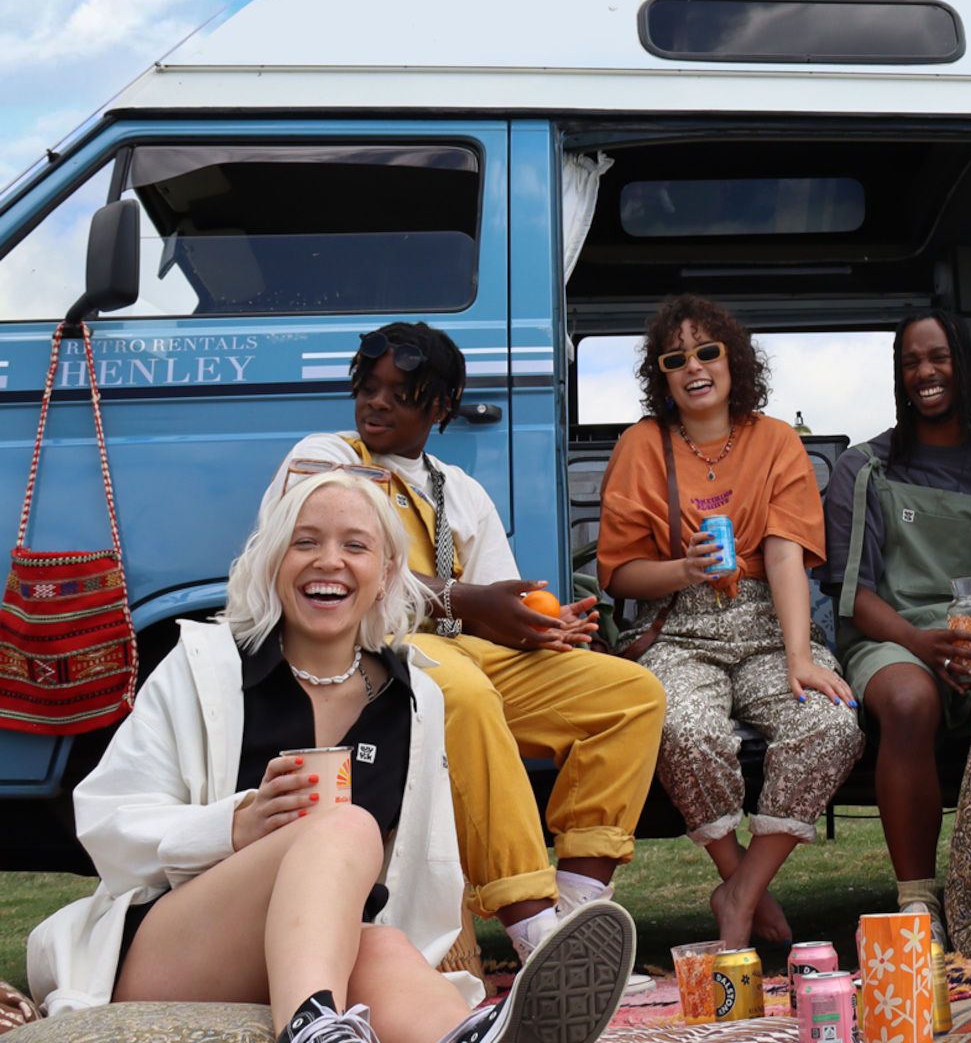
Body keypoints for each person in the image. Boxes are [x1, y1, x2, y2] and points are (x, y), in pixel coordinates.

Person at [27, 472, 635, 1043]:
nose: (329, 561)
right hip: (171, 949)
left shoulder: (413, 698)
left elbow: (417, 877)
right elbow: (105, 822)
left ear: (387, 572)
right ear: (274, 561)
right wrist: (231, 827)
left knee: (382, 949)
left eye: (355, 545)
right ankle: (312, 1026)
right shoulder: (206, 668)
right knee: (343, 825)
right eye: (305, 542)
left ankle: (475, 1035)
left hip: (311, 950)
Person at [263, 323, 665, 962]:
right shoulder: (324, 458)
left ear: (441, 406)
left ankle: (579, 909)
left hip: (457, 649)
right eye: (368, 389)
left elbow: (488, 610)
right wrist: (465, 602)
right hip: (366, 648)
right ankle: (535, 928)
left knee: (629, 693)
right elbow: (322, 567)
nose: (377, 403)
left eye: (400, 394)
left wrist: (538, 629)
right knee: (464, 693)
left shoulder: (462, 492)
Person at [597, 295, 865, 950]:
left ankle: (740, 895)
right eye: (675, 357)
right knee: (681, 725)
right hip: (683, 631)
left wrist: (801, 658)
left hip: (770, 627)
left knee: (830, 722)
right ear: (661, 374)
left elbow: (784, 555)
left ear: (733, 360)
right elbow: (622, 572)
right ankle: (736, 876)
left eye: (707, 351)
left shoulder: (773, 440)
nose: (694, 366)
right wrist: (684, 569)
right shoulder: (641, 445)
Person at [825, 310, 971, 947]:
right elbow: (855, 598)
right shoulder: (863, 468)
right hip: (891, 636)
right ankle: (918, 899)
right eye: (911, 362)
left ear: (965, 366)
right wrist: (924, 645)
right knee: (907, 700)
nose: (925, 372)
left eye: (939, 357)